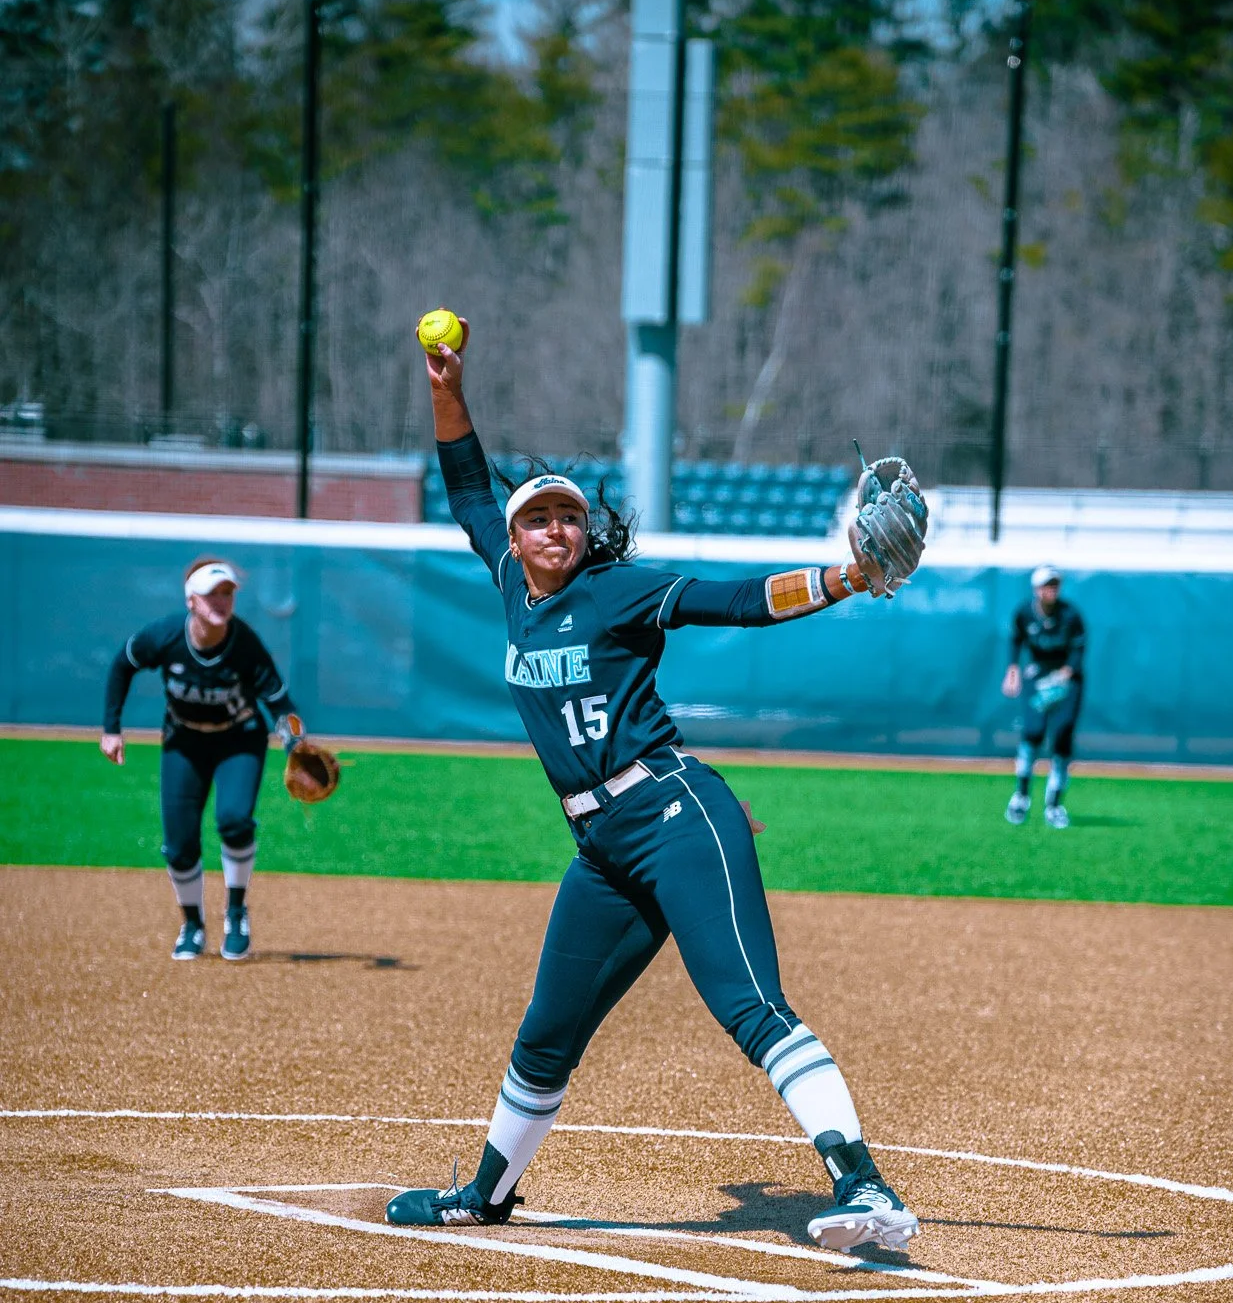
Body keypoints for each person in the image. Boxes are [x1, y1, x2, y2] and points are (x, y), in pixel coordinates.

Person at [386, 317, 920, 1254]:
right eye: (537, 517)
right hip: (602, 849)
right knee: (548, 1028)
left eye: (567, 516)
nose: (555, 527)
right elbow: (466, 477)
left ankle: (866, 1186)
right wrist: (446, 384)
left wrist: (846, 576)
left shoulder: (616, 592)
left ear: (585, 532)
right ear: (511, 539)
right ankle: (485, 1195)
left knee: (747, 1003)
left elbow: (740, 601)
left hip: (675, 814)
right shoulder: (514, 585)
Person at [100, 558, 302, 961]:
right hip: (183, 743)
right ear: (192, 600)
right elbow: (123, 664)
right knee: (179, 845)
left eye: (227, 593)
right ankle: (192, 924)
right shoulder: (165, 636)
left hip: (238, 742)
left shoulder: (244, 643)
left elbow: (281, 704)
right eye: (212, 594)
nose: (221, 601)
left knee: (234, 819)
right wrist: (111, 727)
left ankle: (236, 912)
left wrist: (296, 745)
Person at [1002, 564, 1085, 829]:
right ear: (1036, 589)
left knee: (1061, 737)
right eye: (1047, 585)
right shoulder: (1025, 613)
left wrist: (1067, 671)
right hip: (1037, 676)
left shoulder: (1070, 615)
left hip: (1065, 681)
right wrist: (1013, 669)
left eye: (1055, 584)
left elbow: (1078, 648)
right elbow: (1016, 640)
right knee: (1033, 732)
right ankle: (1021, 796)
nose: (1052, 589)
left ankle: (1054, 804)